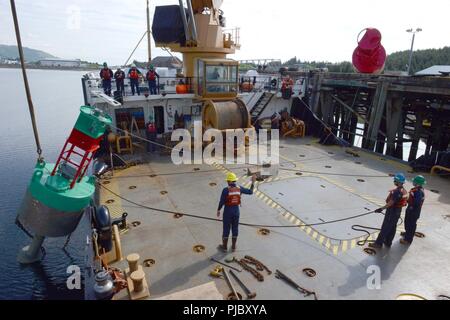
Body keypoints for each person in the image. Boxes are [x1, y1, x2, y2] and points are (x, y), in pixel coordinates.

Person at [217, 173, 256, 252]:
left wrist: (218, 210)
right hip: (236, 211)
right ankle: (234, 247)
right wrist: (253, 182)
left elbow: (221, 202)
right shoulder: (239, 188)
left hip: (228, 211)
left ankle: (224, 247)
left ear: (228, 181)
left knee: (226, 229)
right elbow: (250, 192)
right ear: (234, 181)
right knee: (235, 228)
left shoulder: (225, 190)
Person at [369, 173, 408, 249]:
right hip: (397, 211)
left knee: (385, 227)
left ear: (398, 181)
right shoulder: (403, 190)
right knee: (392, 227)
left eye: (395, 180)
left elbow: (391, 202)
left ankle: (378, 243)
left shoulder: (397, 192)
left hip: (392, 211)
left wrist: (381, 209)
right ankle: (388, 242)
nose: (394, 181)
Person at [400, 176, 426, 245]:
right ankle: (407, 233)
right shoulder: (417, 189)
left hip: (413, 211)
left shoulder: (418, 192)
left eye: (414, 181)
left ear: (417, 183)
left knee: (411, 225)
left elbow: (416, 202)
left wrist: (408, 201)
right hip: (411, 209)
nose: (413, 182)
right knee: (407, 222)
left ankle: (408, 239)